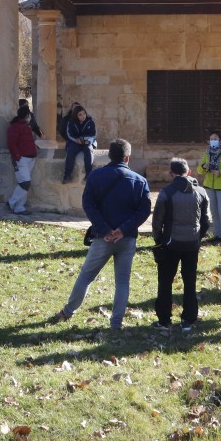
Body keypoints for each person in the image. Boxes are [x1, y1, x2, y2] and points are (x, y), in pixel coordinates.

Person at [52, 139, 152, 332]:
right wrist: (122, 230)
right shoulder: (140, 181)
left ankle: (68, 311)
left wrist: (105, 229)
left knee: (86, 276)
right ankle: (116, 323)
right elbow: (144, 211)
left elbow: (89, 205)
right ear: (128, 157)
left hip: (102, 238)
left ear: (109, 156)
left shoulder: (97, 176)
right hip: (127, 238)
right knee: (122, 282)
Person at [151, 158, 210, 334]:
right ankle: (188, 319)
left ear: (171, 174)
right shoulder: (201, 192)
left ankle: (164, 319)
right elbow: (206, 220)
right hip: (192, 243)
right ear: (189, 172)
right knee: (190, 281)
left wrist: (159, 240)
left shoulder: (166, 192)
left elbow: (157, 221)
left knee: (165, 281)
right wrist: (198, 237)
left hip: (170, 243)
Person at [6, 106, 38, 216]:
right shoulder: (15, 127)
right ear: (26, 115)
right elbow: (11, 143)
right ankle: (12, 202)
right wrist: (17, 157)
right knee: (25, 182)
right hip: (21, 159)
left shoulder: (27, 126)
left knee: (25, 183)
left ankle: (19, 207)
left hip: (30, 158)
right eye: (29, 114)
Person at [63, 105, 97, 183]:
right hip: (75, 142)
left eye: (84, 113)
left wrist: (87, 140)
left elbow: (94, 134)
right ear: (76, 115)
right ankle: (67, 175)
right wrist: (76, 140)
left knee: (88, 151)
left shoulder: (90, 121)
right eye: (80, 114)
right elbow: (69, 134)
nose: (83, 116)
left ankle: (89, 174)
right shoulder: (71, 122)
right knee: (71, 151)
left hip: (87, 142)